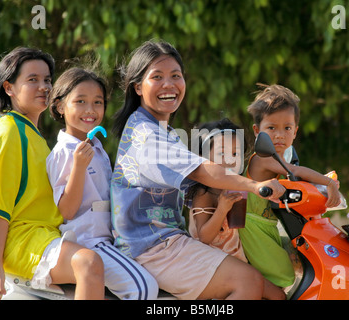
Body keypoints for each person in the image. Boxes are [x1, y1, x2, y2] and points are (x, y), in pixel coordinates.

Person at [111, 40, 286, 300]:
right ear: (137, 87)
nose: (169, 85)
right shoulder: (146, 135)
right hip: (152, 247)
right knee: (247, 281)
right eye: (156, 77)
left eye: (176, 76)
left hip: (162, 241)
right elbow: (202, 171)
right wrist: (254, 186)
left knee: (272, 292)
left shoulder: (158, 129)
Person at [0, 47, 105, 299]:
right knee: (89, 263)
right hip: (20, 241)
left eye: (47, 80)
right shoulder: (8, 133)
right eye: (32, 80)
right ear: (9, 88)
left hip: (44, 236)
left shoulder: (34, 136)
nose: (44, 87)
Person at [47, 67, 158, 300]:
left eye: (98, 102)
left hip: (110, 241)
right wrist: (78, 166)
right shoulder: (64, 152)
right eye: (80, 101)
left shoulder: (96, 147)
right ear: (59, 106)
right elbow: (66, 209)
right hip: (89, 242)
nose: (90, 110)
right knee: (143, 288)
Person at [239, 83, 342, 288]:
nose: (279, 135)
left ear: (295, 131)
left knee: (304, 260)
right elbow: (295, 171)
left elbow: (297, 178)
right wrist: (329, 182)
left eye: (287, 128)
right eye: (271, 128)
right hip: (252, 227)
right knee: (284, 277)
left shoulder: (283, 157)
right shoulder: (262, 158)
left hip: (269, 226)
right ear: (257, 130)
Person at [186, 118, 286, 299]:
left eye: (235, 153)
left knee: (279, 295)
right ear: (204, 156)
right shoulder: (203, 193)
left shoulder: (236, 186)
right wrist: (222, 209)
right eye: (221, 153)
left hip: (237, 258)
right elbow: (204, 237)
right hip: (213, 264)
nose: (229, 160)